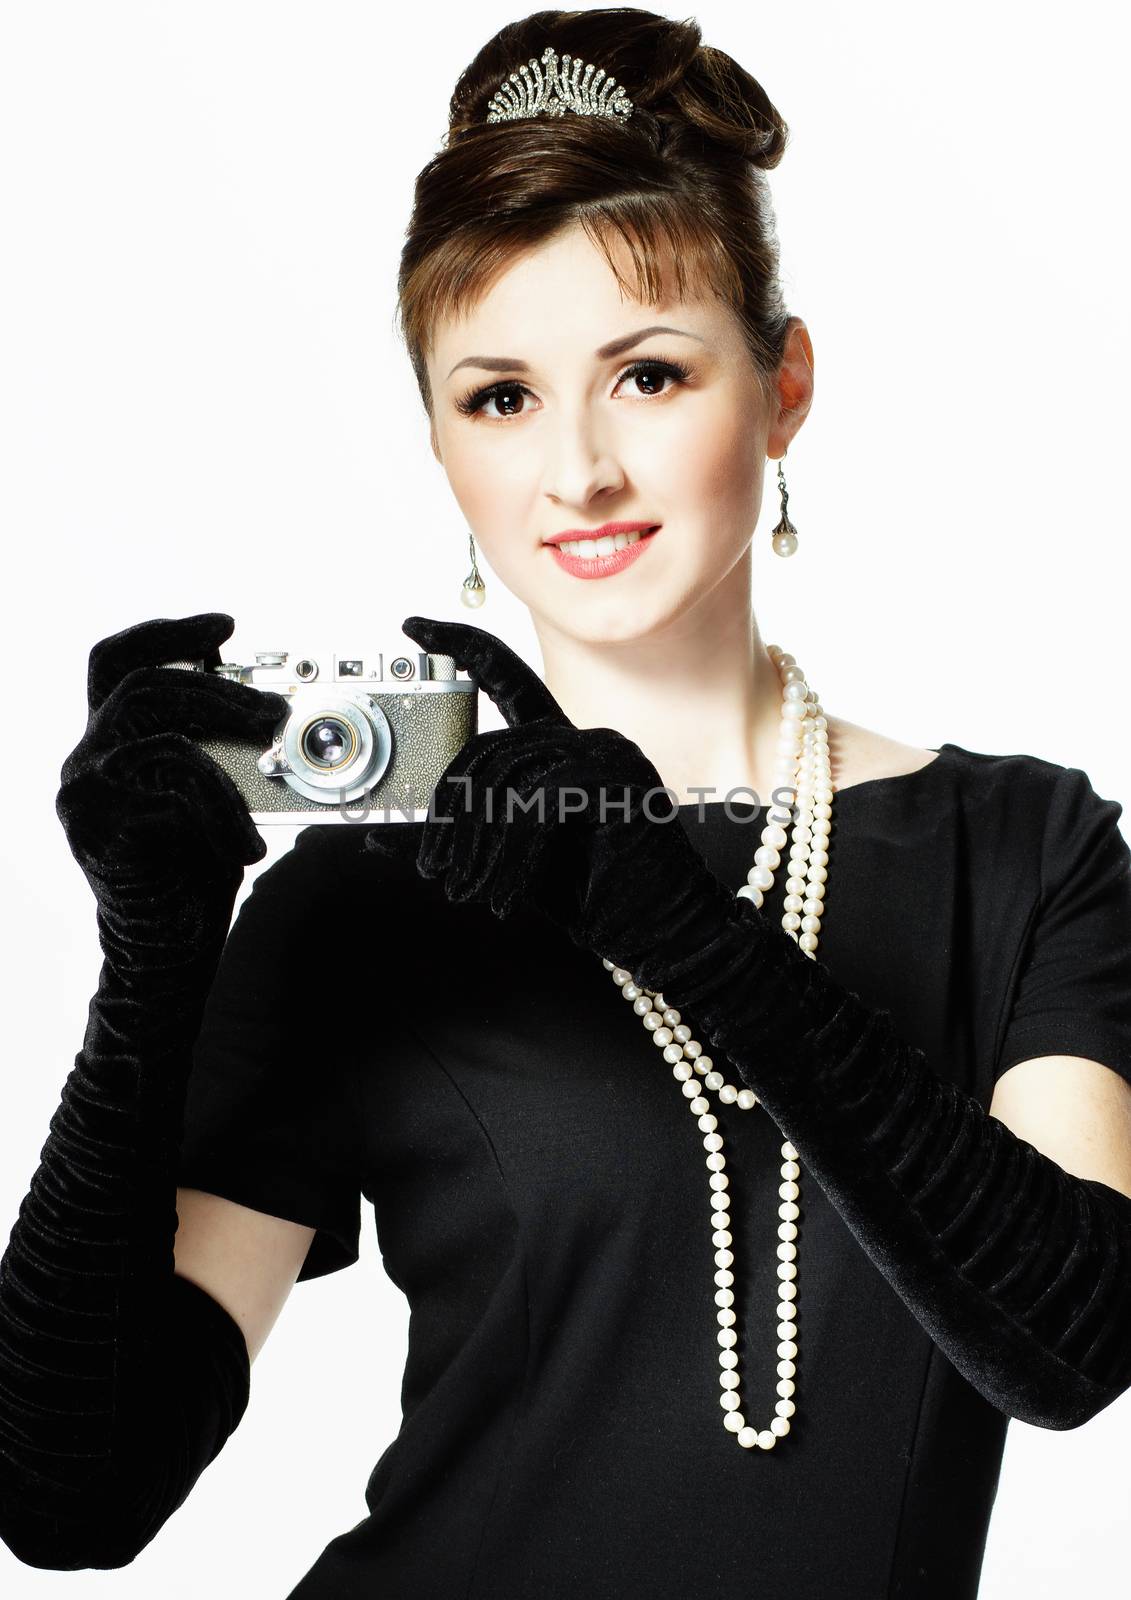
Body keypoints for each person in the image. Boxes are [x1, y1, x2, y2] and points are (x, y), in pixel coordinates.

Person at [3, 8, 1131, 1597]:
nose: (579, 471)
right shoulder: (371, 904)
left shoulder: (1025, 850)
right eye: (501, 396)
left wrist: (674, 919)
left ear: (783, 385)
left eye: (650, 374)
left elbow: (1071, 1341)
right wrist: (151, 969)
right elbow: (69, 1496)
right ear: (442, 436)